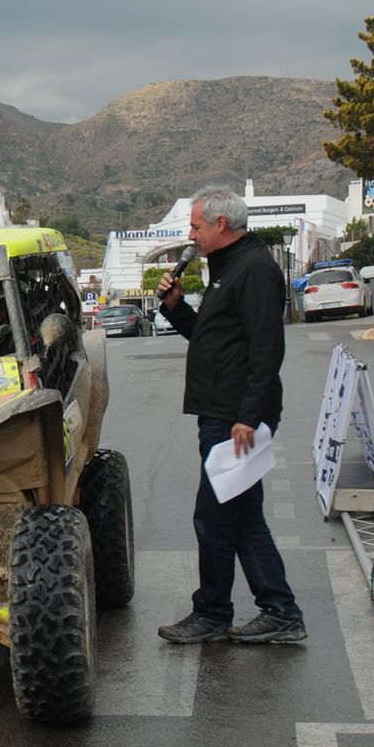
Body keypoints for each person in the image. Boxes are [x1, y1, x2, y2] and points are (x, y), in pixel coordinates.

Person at [155, 185, 306, 645]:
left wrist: (250, 414)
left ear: (221, 224)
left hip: (234, 418)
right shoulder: (226, 268)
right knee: (240, 517)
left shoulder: (255, 270)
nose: (191, 235)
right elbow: (211, 338)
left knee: (215, 518)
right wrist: (178, 308)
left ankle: (215, 612)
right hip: (221, 412)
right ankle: (278, 610)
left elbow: (266, 348)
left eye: (196, 227)